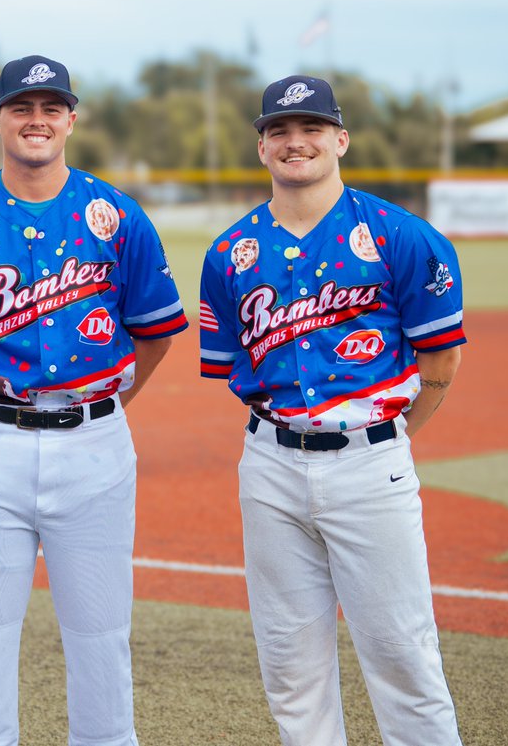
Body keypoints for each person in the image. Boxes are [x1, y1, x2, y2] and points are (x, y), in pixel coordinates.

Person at [0, 55, 187, 746]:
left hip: (96, 442)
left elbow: (154, 334)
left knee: (101, 632)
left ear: (71, 119)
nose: (37, 119)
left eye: (51, 107)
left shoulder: (116, 215)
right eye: (22, 107)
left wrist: (106, 403)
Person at [199, 75, 466, 746]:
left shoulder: (401, 236)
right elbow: (231, 365)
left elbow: (440, 362)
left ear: (340, 139)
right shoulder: (229, 254)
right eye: (279, 131)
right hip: (269, 464)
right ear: (262, 148)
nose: (296, 142)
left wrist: (387, 439)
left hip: (370, 461)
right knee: (291, 667)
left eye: (311, 128)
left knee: (404, 655)